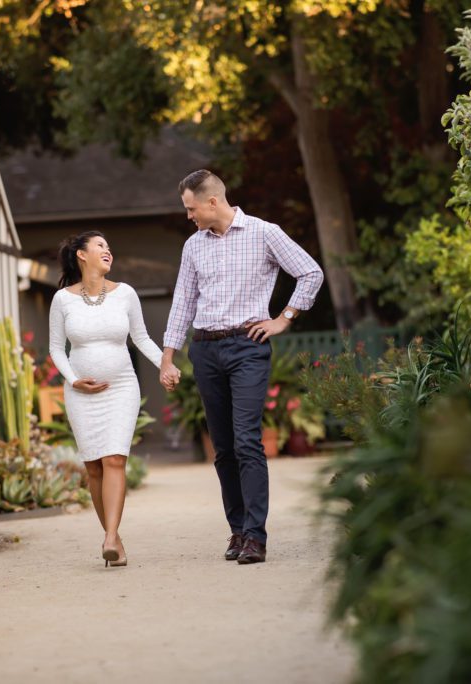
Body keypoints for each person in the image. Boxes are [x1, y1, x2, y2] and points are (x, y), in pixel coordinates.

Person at [159, 169, 324, 564]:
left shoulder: (264, 233)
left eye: (191, 208)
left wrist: (283, 318)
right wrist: (168, 356)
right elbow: (183, 301)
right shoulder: (193, 246)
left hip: (248, 346)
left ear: (212, 201)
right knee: (224, 449)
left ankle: (255, 535)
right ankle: (237, 531)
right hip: (205, 349)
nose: (188, 216)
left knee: (248, 440)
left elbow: (310, 272)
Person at [49, 231, 168, 568]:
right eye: (100, 245)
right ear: (81, 255)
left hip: (120, 389)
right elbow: (56, 349)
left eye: (109, 246)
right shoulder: (62, 300)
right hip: (79, 393)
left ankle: (110, 537)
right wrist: (74, 380)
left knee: (114, 459)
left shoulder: (125, 294)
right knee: (94, 467)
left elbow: (141, 337)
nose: (107, 250)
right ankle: (114, 539)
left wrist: (165, 365)